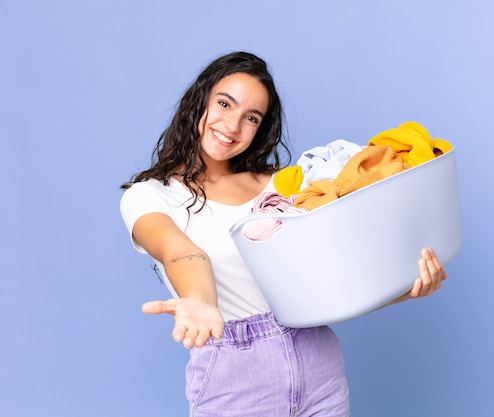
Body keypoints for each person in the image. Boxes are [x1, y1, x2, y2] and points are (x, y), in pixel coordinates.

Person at [120, 51, 448, 417]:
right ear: (200, 101)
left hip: (318, 363)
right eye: (225, 104)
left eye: (251, 117)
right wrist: (199, 301)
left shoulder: (285, 185)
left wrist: (405, 288)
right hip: (234, 373)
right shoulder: (150, 196)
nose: (232, 125)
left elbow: (329, 286)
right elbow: (180, 252)